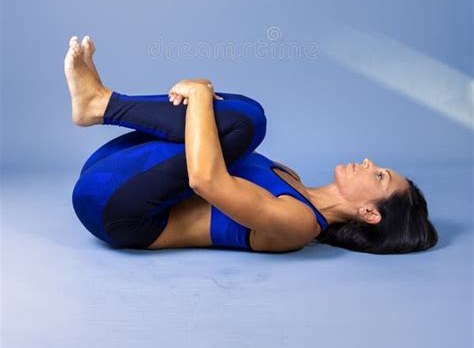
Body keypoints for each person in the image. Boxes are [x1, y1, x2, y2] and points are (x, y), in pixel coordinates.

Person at [66, 35, 438, 254]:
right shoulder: (289, 176)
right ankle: (100, 104)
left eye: (380, 177)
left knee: (246, 121)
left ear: (371, 214)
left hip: (115, 210)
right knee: (233, 122)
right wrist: (203, 100)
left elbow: (205, 180)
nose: (370, 162)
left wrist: (200, 92)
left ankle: (103, 104)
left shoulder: (300, 223)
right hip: (114, 167)